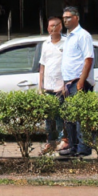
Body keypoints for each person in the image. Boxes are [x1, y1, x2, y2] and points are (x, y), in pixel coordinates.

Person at [58, 6, 93, 158]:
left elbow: (89, 59)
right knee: (69, 118)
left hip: (79, 82)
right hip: (68, 83)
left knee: (80, 118)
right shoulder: (68, 37)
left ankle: (83, 148)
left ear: (76, 18)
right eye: (64, 17)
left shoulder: (83, 35)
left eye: (68, 17)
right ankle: (72, 146)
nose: (65, 20)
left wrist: (80, 82)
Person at [39, 16, 67, 155]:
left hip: (60, 86)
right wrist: (40, 86)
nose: (52, 28)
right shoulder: (45, 44)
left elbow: (69, 65)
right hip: (48, 86)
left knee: (60, 116)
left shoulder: (66, 43)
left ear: (60, 26)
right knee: (48, 117)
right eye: (50, 26)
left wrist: (64, 84)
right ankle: (50, 142)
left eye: (55, 25)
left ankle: (63, 141)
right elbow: (42, 66)